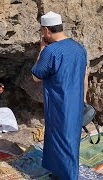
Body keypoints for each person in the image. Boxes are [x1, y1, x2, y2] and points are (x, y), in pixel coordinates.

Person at [31, 11, 88, 179]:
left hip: (59, 103)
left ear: (47, 30)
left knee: (61, 140)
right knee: (69, 139)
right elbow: (85, 76)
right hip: (75, 103)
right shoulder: (79, 48)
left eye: (43, 31)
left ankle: (69, 176)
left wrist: (41, 50)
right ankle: (57, 173)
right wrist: (83, 99)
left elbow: (36, 76)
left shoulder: (51, 51)